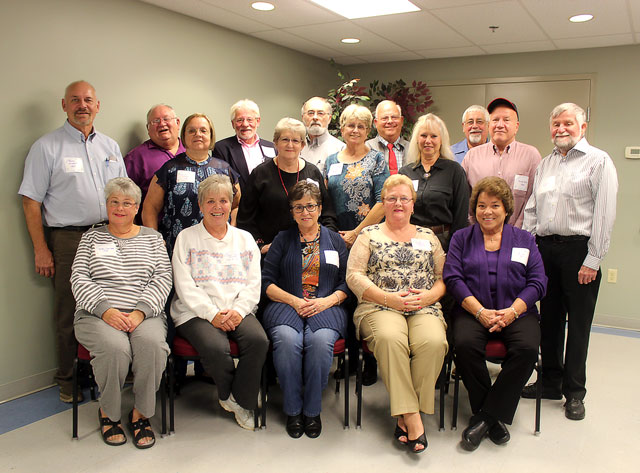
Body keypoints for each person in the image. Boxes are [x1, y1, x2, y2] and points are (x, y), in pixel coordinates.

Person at [18, 80, 126, 403]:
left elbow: (122, 194)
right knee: (69, 309)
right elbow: (30, 201)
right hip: (68, 239)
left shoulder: (110, 147)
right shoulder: (46, 147)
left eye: (88, 100)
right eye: (75, 100)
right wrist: (41, 248)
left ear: (98, 105)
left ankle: (107, 373)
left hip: (108, 235)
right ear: (64, 106)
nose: (83, 105)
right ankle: (68, 379)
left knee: (111, 301)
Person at [522, 103, 618, 421]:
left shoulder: (598, 161)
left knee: (577, 326)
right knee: (548, 320)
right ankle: (550, 381)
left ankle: (574, 392)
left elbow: (604, 213)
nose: (561, 129)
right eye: (556, 124)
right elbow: (533, 209)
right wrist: (528, 250)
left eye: (568, 123)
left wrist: (594, 259)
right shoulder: (546, 164)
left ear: (583, 127)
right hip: (545, 250)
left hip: (580, 253)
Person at [443, 177, 547, 451]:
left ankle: (486, 417)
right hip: (472, 311)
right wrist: (479, 311)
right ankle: (494, 416)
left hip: (517, 312)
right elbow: (452, 278)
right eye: (481, 205)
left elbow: (538, 282)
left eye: (495, 205)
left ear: (507, 209)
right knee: (464, 345)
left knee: (526, 348)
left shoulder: (524, 240)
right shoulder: (461, 238)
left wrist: (513, 312)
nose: (487, 211)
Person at [346, 174, 448, 454]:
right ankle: (414, 418)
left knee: (434, 342)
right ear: (383, 203)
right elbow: (354, 276)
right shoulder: (368, 235)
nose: (398, 203)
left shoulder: (428, 237)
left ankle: (404, 414)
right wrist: (388, 298)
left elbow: (443, 278)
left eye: (405, 198)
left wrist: (429, 296)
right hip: (378, 305)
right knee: (392, 339)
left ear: (413, 205)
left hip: (423, 305)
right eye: (392, 198)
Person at [71, 177, 172, 448]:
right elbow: (79, 278)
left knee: (152, 346)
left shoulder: (153, 238)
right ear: (106, 205)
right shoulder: (91, 237)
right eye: (114, 202)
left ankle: (141, 413)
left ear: (137, 207)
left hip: (144, 313)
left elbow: (163, 278)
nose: (120, 208)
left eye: (127, 203)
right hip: (96, 314)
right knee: (115, 348)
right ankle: (109, 412)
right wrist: (105, 311)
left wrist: (140, 313)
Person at [170, 174, 269, 430]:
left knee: (259, 341)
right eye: (210, 201)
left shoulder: (244, 239)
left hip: (238, 308)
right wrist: (212, 313)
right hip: (195, 313)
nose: (217, 207)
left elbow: (253, 283)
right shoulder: (186, 238)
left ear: (231, 204)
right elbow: (184, 286)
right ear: (200, 205)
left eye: (223, 201)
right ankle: (235, 399)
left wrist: (238, 311)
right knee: (215, 347)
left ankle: (239, 397)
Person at [262, 181, 349, 439]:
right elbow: (266, 282)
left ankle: (311, 410)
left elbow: (347, 282)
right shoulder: (282, 239)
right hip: (286, 304)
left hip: (327, 305)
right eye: (298, 207)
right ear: (291, 211)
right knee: (287, 341)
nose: (305, 212)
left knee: (321, 342)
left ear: (320, 208)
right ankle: (292, 409)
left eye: (310, 206)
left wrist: (326, 301)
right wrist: (294, 301)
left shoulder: (335, 241)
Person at [142, 113, 240, 256]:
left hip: (218, 247)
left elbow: (236, 205)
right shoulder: (169, 169)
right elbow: (150, 207)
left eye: (203, 130)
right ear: (184, 136)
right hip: (178, 247)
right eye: (192, 131)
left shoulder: (224, 169)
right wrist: (155, 241)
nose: (197, 134)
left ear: (211, 136)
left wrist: (232, 230)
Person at [237, 117, 338, 254]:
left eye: (295, 140)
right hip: (271, 252)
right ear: (275, 143)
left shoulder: (312, 172)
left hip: (310, 251)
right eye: (285, 139)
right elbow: (245, 219)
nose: (290, 145)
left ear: (302, 145)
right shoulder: (260, 174)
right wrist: (260, 246)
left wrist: (324, 242)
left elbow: (327, 213)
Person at [462, 98, 541, 228]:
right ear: (489, 125)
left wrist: (517, 233)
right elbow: (464, 199)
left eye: (506, 120)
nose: (500, 124)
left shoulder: (531, 156)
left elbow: (535, 200)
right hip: (479, 235)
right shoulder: (472, 156)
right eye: (495, 120)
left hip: (518, 235)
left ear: (516, 126)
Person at [399, 113, 469, 251]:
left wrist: (454, 249)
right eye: (423, 136)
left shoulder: (454, 171)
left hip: (443, 242)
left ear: (442, 140)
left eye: (434, 136)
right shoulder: (405, 173)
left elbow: (461, 216)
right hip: (410, 241)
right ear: (417, 139)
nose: (428, 141)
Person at [324, 104, 389, 249]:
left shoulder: (377, 159)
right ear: (342, 129)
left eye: (361, 126)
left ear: (367, 132)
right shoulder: (330, 161)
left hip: (369, 237)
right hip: (335, 237)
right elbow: (325, 201)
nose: (355, 130)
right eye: (351, 125)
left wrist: (356, 233)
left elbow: (383, 202)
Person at [124, 104, 185, 219]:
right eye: (155, 121)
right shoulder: (136, 157)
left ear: (177, 123)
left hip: (193, 229)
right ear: (148, 129)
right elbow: (126, 198)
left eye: (166, 119)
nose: (162, 124)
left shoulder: (192, 151)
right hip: (154, 229)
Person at [212, 99, 276, 191]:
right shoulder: (221, 148)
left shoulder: (272, 147)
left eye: (249, 119)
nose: (245, 124)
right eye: (239, 120)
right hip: (240, 204)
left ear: (258, 121)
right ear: (233, 124)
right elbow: (221, 184)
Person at [299, 96, 345, 173]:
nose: (315, 117)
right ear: (303, 117)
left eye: (320, 113)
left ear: (329, 118)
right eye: (310, 113)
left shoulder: (341, 149)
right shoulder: (294, 147)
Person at [366, 100, 409, 175]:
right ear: (376, 123)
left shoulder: (412, 149)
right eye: (384, 118)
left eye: (394, 117)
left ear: (401, 121)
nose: (390, 121)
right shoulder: (366, 148)